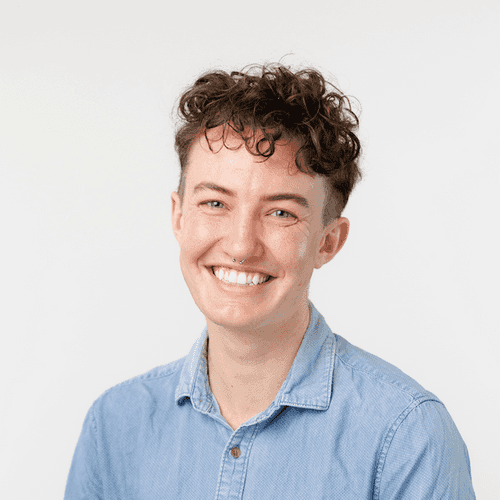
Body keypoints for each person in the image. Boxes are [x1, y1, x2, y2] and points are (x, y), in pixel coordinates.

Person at [64, 63, 476, 499]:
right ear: (178, 217)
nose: (241, 246)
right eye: (215, 203)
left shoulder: (407, 435)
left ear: (328, 242)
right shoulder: (113, 426)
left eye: (281, 212)